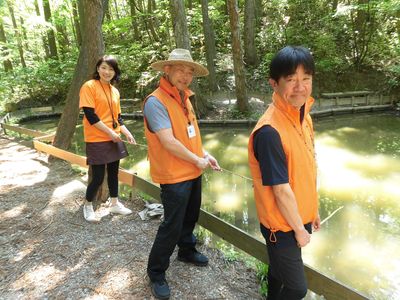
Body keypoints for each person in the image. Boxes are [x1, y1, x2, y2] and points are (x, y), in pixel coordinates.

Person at [143, 48, 221, 299]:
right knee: (172, 225)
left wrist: (204, 154)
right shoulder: (155, 101)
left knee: (190, 216)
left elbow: (189, 136)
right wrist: (197, 159)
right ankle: (156, 272)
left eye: (190, 72)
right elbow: (168, 142)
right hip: (174, 175)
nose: (185, 76)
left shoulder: (185, 98)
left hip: (193, 171)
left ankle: (186, 251)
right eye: (180, 70)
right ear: (167, 70)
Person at [248, 46, 321, 300]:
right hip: (281, 226)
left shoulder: (303, 117)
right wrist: (299, 231)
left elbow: (306, 169)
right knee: (297, 288)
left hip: (298, 216)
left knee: (279, 272)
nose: (300, 86)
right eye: (291, 79)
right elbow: (280, 189)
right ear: (274, 84)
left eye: (306, 79)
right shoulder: (270, 131)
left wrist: (313, 210)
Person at [79, 55, 136, 222]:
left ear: (115, 72)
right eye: (104, 67)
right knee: (97, 176)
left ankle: (114, 203)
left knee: (113, 173)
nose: (107, 72)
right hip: (96, 138)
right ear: (98, 68)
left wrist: (127, 132)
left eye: (111, 69)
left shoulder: (115, 91)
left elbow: (118, 118)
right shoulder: (89, 86)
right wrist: (110, 133)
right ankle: (88, 205)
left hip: (114, 137)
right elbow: (90, 116)